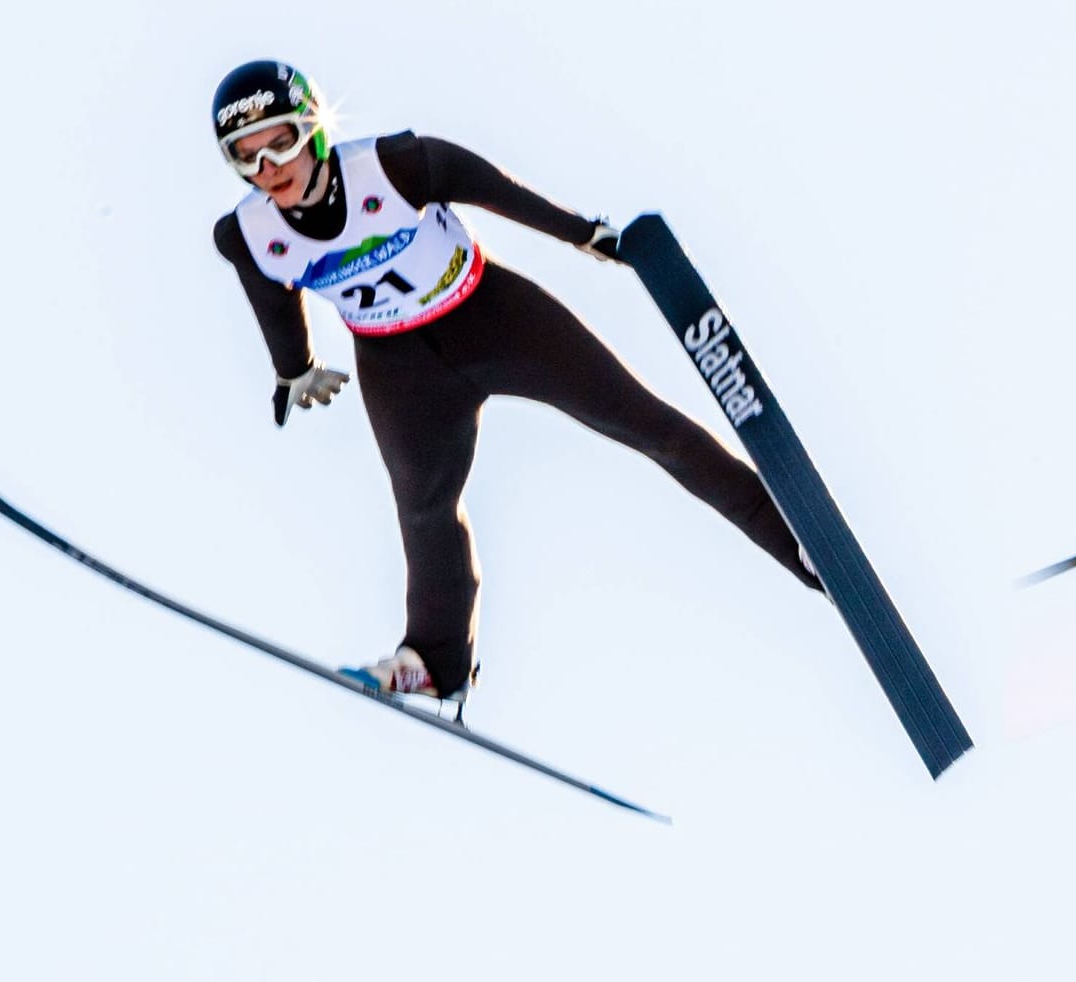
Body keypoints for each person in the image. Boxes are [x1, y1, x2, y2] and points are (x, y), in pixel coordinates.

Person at [211, 60, 820, 704]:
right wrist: (294, 367)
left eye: (280, 141)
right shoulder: (246, 235)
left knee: (643, 422)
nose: (268, 168)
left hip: (494, 316)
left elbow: (494, 188)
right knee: (423, 509)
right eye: (245, 158)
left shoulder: (395, 166)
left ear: (313, 128)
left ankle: (800, 543)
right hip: (400, 368)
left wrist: (583, 232)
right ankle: (434, 662)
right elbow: (273, 300)